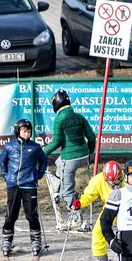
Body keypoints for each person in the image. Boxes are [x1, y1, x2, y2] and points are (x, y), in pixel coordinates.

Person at [43, 89, 96, 230]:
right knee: (59, 162)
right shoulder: (79, 117)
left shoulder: (59, 119)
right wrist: (89, 151)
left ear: (56, 105)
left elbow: (56, 142)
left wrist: (42, 152)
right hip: (84, 156)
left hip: (70, 159)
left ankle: (76, 219)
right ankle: (58, 179)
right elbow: (91, 137)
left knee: (67, 192)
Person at [0, 118, 48, 261]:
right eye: (24, 131)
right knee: (11, 215)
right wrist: (7, 177)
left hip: (29, 185)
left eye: (29, 131)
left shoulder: (35, 147)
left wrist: (39, 174)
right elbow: (3, 163)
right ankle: (7, 243)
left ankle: (36, 244)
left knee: (32, 215)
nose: (27, 134)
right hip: (13, 185)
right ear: (17, 131)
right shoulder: (9, 147)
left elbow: (44, 160)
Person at [72, 160, 123, 261]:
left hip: (128, 206)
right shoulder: (98, 180)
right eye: (109, 181)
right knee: (98, 230)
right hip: (110, 206)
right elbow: (89, 195)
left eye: (115, 180)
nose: (112, 183)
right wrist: (80, 203)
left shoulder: (129, 179)